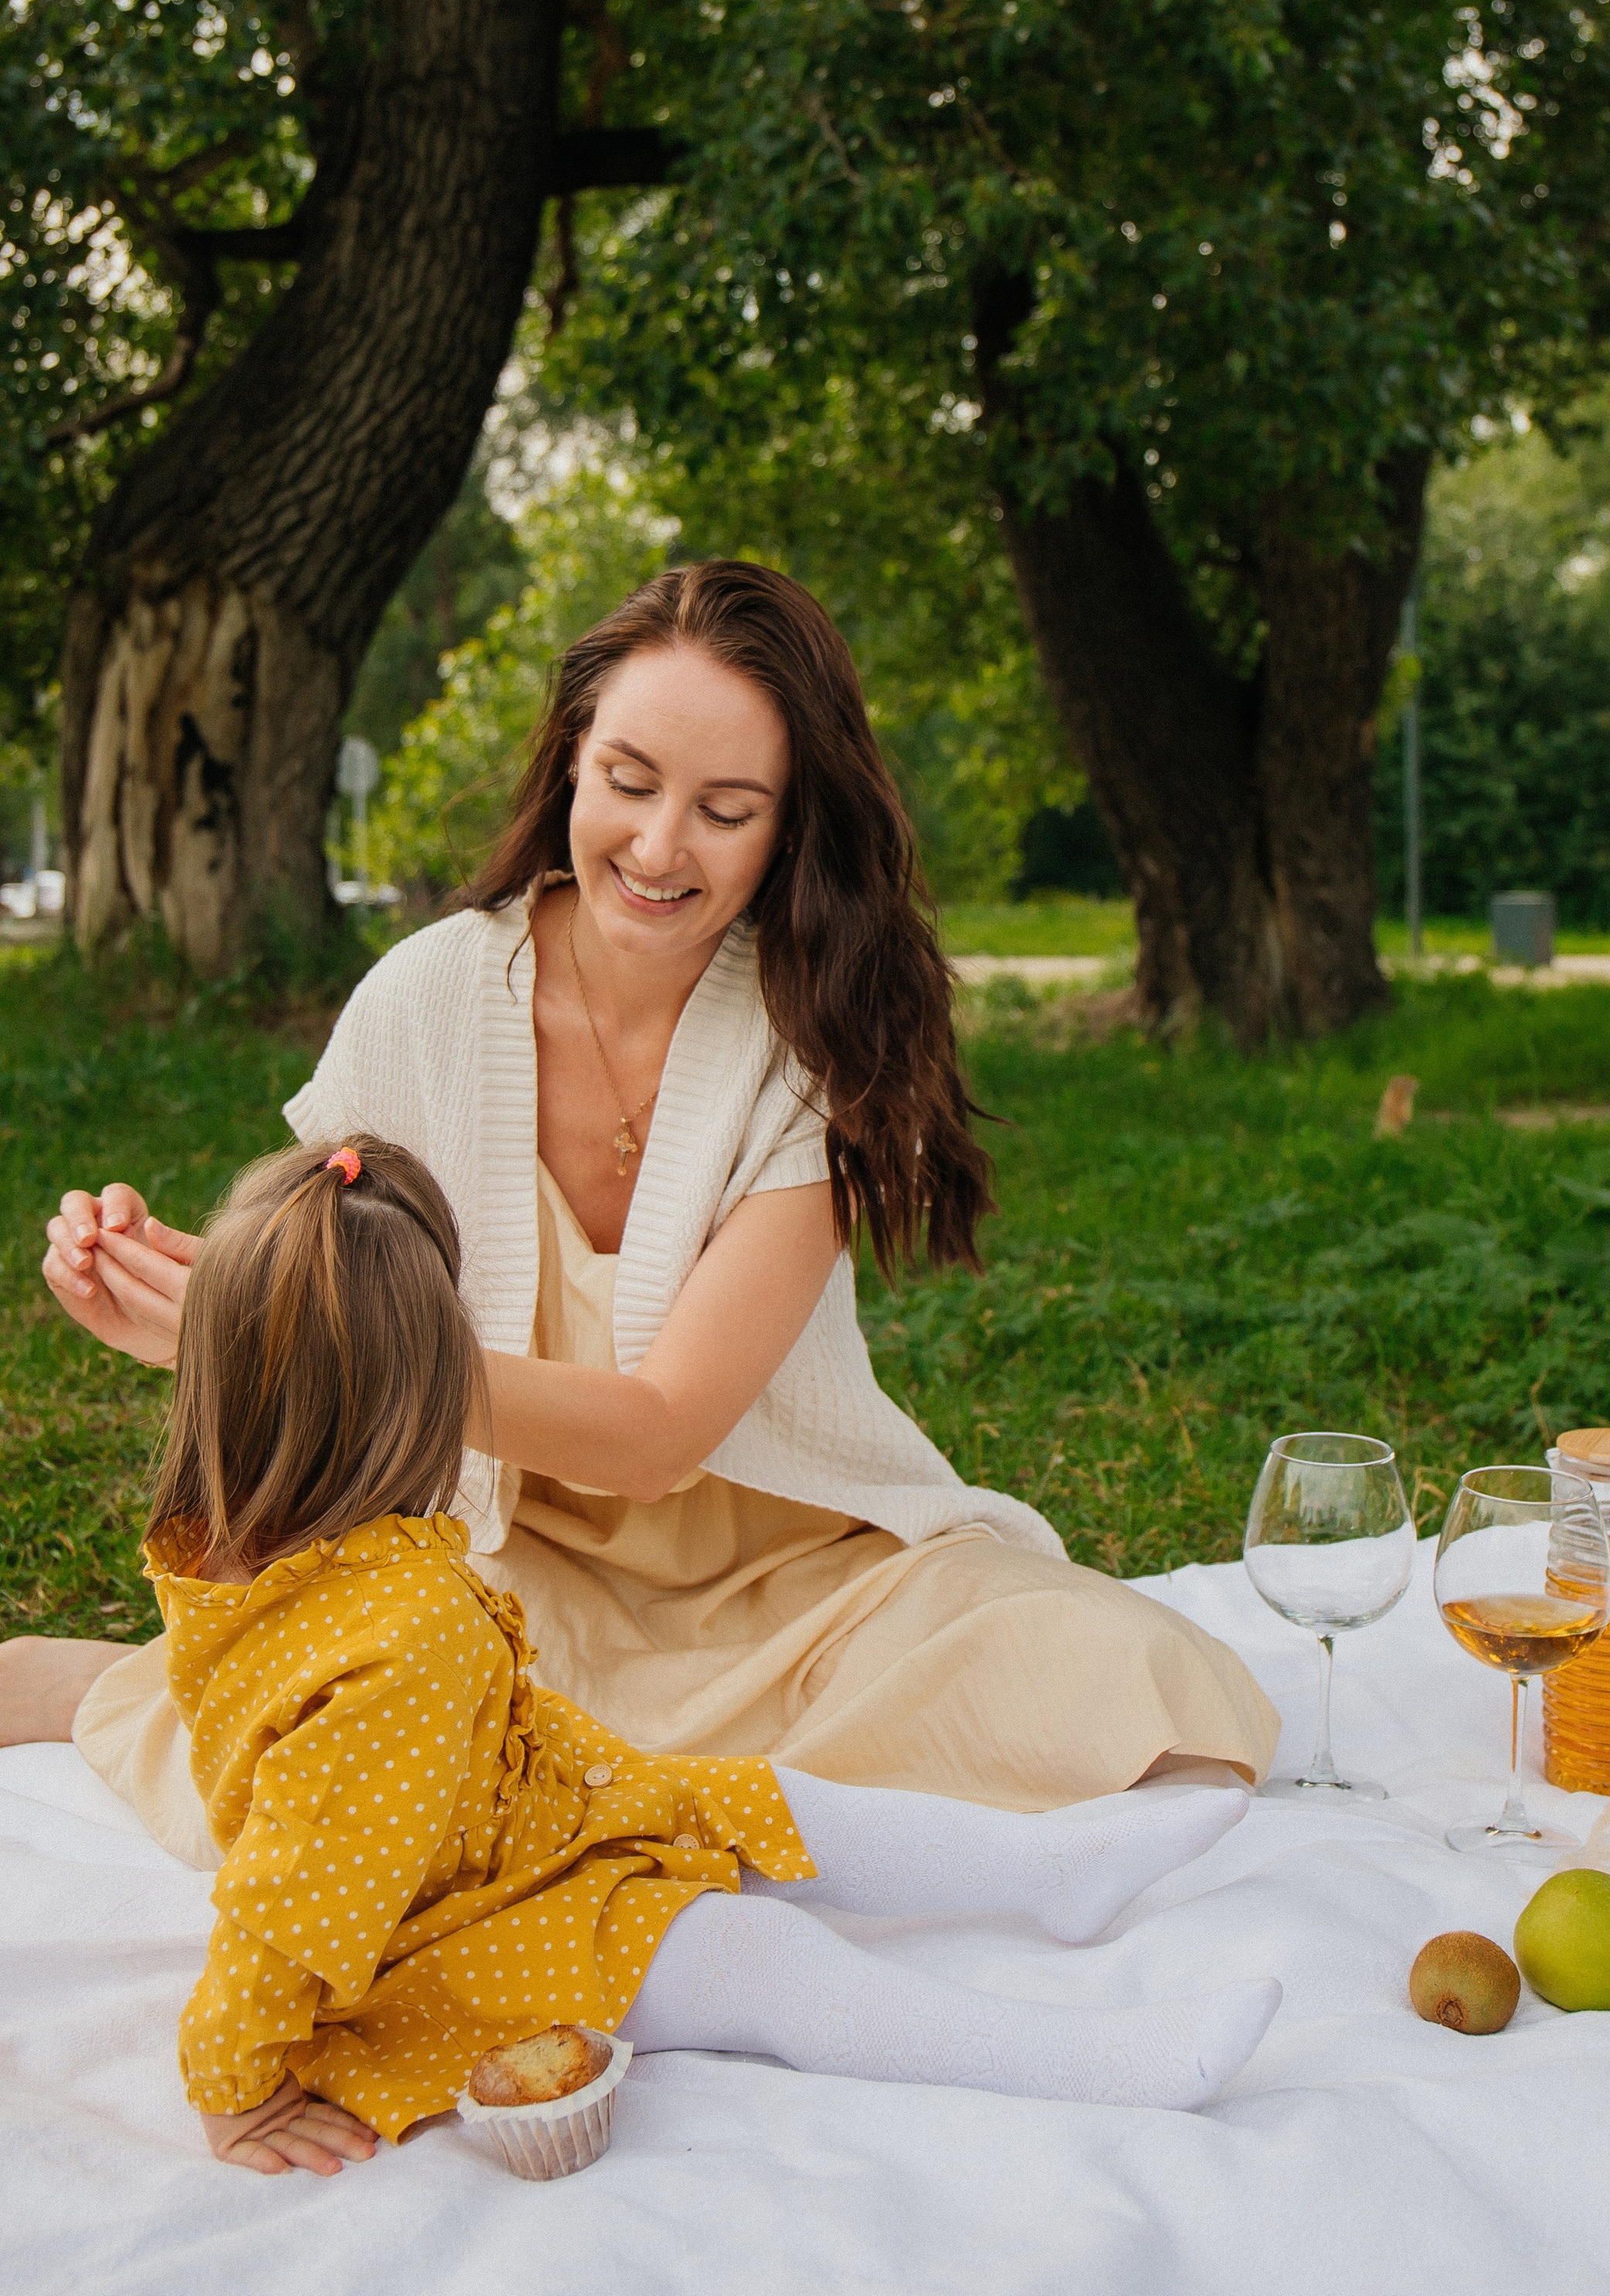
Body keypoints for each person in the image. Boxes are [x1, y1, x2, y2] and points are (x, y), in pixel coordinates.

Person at [22, 560, 1277, 1854]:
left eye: (725, 810)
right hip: (499, 1573)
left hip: (799, 1590)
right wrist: (216, 1325)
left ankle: (610, 1797)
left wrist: (345, 1360)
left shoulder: (815, 1044)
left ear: (791, 826)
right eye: (628, 783)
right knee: (397, 1734)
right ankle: (114, 1690)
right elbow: (339, 1297)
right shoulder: (428, 999)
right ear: (573, 759)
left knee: (1147, 1693)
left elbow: (658, 1434)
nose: (659, 848)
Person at [145, 1138, 1280, 2171]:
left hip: (521, 1827)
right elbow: (289, 1901)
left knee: (778, 1803)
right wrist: (233, 2085)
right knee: (751, 1962)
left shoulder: (250, 1558)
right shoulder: (399, 1641)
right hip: (446, 1937)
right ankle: (1097, 2062)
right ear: (433, 1394)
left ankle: (1053, 1876)